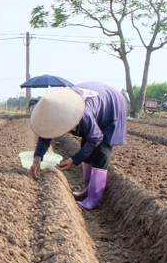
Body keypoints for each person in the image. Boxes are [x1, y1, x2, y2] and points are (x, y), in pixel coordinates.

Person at [28, 81, 128, 210]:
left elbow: (96, 137)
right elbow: (45, 137)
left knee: (101, 151)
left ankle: (94, 199)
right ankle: (87, 190)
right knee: (86, 143)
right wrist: (37, 159)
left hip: (111, 105)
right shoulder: (52, 112)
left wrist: (73, 160)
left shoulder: (82, 113)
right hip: (95, 104)